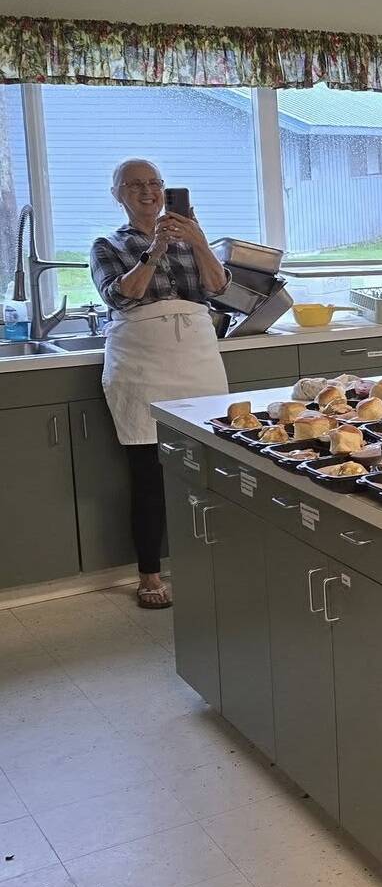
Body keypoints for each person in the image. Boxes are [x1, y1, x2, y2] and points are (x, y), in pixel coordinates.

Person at [92, 159, 231, 609]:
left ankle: (217, 558)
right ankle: (150, 574)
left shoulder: (192, 238)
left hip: (197, 355)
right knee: (149, 474)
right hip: (142, 363)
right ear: (118, 194)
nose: (148, 192)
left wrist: (199, 240)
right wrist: (154, 250)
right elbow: (121, 294)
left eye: (155, 183)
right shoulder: (107, 244)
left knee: (214, 463)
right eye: (135, 185)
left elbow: (218, 287)